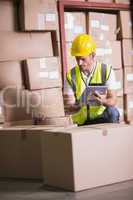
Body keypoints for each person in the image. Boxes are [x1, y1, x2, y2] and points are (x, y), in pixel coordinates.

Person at [66, 34, 120, 126]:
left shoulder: (106, 71)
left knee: (113, 112)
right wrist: (80, 104)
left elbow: (113, 100)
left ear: (93, 55)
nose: (79, 63)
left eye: (83, 59)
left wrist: (103, 101)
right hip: (82, 123)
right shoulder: (71, 75)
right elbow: (68, 107)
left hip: (102, 117)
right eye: (77, 59)